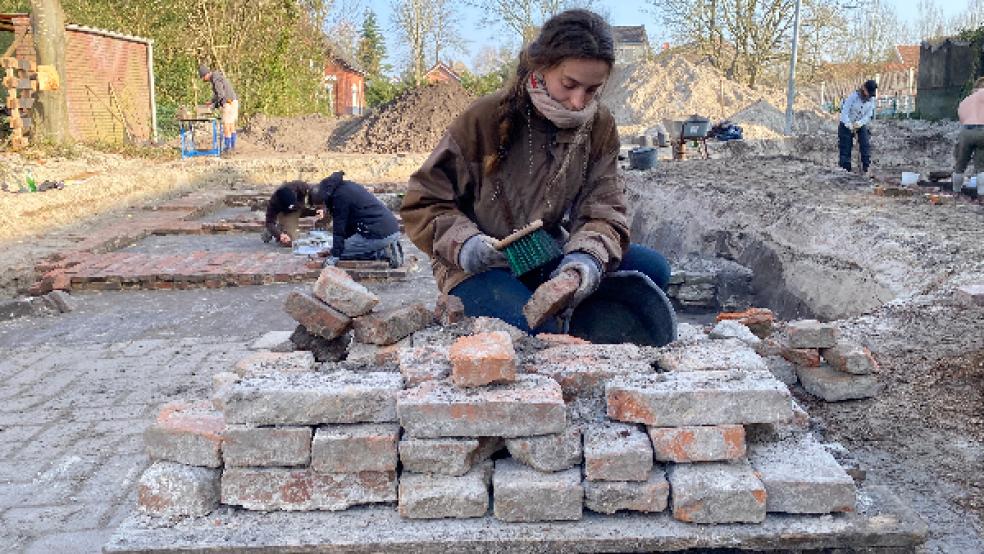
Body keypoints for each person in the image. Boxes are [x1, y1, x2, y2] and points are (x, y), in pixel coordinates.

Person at [400, 9, 671, 335]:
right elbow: (424, 202)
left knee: (653, 269)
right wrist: (465, 243)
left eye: (591, 90)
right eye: (569, 84)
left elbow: (604, 209)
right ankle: (558, 322)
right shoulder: (484, 118)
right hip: (478, 264)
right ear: (541, 67)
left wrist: (585, 259)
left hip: (544, 252)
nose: (578, 102)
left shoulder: (599, 125)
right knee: (537, 330)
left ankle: (575, 316)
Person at [315, 171, 403, 268]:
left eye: (321, 206)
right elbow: (349, 227)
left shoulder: (339, 198)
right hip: (389, 229)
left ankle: (383, 253)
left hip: (379, 234)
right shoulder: (347, 187)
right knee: (341, 248)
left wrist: (335, 255)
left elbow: (339, 229)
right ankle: (385, 246)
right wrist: (335, 249)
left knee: (342, 253)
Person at [263, 180, 322, 247]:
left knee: (328, 210)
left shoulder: (300, 186)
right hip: (286, 213)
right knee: (290, 242)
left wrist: (319, 210)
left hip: (299, 207)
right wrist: (279, 235)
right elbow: (269, 222)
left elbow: (320, 196)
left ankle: (278, 228)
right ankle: (274, 230)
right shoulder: (273, 204)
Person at [951, 77, 984, 195]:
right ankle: (982, 196)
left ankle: (956, 193)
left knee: (960, 165)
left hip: (966, 131)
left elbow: (961, 117)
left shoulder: (966, 100)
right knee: (981, 167)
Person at [838, 79, 878, 173]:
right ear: (864, 88)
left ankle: (866, 168)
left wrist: (859, 123)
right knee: (845, 147)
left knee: (865, 144)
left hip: (860, 124)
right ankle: (845, 170)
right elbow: (844, 112)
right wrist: (849, 124)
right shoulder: (853, 97)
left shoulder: (871, 100)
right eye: (868, 92)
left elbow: (868, 115)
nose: (869, 96)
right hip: (846, 124)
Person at [199, 64, 239, 151]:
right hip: (233, 101)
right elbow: (218, 93)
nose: (203, 80)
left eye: (203, 77)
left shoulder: (216, 79)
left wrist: (213, 105)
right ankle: (233, 147)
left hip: (228, 103)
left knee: (226, 125)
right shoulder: (218, 77)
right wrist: (212, 101)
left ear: (206, 74)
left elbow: (221, 95)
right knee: (231, 125)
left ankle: (228, 149)